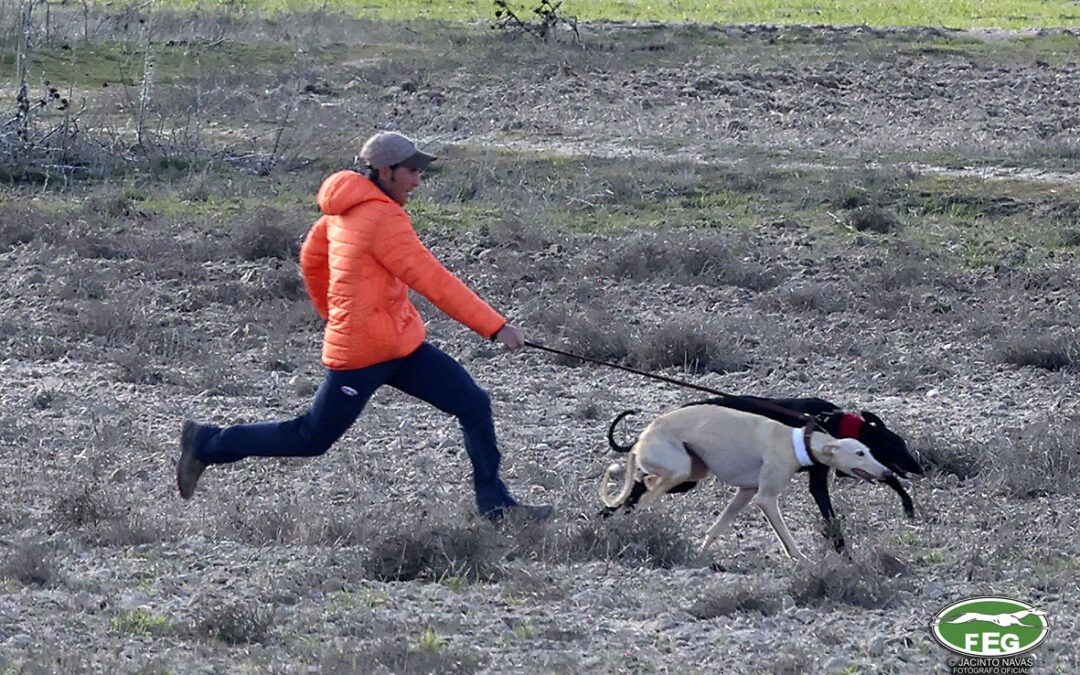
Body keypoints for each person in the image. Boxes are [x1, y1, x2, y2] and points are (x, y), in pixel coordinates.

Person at [176, 131, 553, 523]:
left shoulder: (342, 210)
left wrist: (332, 313)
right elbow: (434, 281)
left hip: (400, 347)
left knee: (473, 404)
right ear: (386, 171)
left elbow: (312, 258)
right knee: (310, 438)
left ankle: (496, 508)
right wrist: (496, 327)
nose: (417, 180)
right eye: (411, 171)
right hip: (363, 355)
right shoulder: (381, 219)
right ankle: (206, 442)